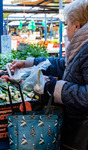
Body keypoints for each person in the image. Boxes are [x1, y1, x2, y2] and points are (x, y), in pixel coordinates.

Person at [10, 0, 88, 149]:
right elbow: (63, 66)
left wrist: (54, 87)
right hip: (77, 124)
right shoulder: (81, 47)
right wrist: (29, 62)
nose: (65, 29)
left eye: (66, 24)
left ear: (77, 25)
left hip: (83, 130)